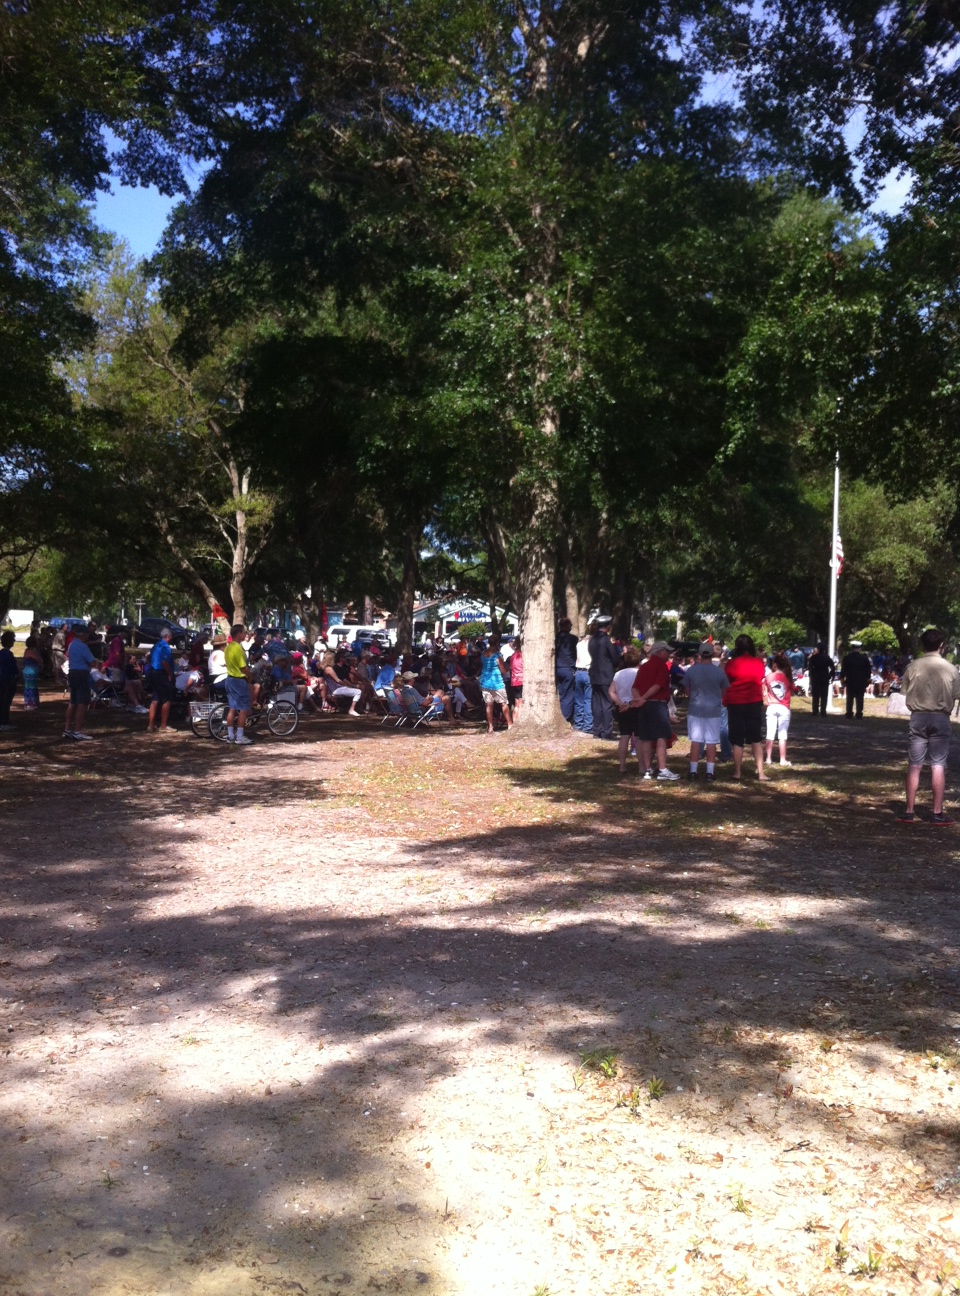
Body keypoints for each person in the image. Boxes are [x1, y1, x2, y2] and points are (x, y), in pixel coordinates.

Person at [897, 627, 960, 824]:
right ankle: (937, 812)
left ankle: (908, 810)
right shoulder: (951, 669)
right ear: (941, 646)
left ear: (922, 645)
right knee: (938, 765)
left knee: (914, 764)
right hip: (941, 717)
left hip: (918, 717)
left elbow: (904, 693)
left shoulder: (913, 667)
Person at [631, 640, 680, 781]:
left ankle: (647, 770)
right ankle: (662, 769)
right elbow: (658, 685)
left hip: (644, 707)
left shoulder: (644, 666)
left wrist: (638, 699)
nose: (669, 654)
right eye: (667, 651)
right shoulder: (662, 667)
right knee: (661, 737)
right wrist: (643, 698)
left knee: (645, 737)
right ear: (660, 652)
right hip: (657, 705)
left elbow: (635, 687)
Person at [724, 634, 769, 782]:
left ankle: (737, 772)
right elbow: (760, 678)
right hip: (753, 701)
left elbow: (727, 681)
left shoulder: (732, 664)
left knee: (737, 739)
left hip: (735, 702)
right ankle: (761, 773)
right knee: (756, 737)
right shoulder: (758, 663)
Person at [684, 643, 730, 781]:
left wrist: (693, 696)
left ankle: (693, 771)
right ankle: (710, 772)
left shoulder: (692, 670)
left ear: (699, 654)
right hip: (713, 709)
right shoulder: (719, 671)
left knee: (696, 741)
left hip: (695, 709)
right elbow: (724, 691)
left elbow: (686, 688)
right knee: (711, 742)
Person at [609, 646, 642, 777]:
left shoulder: (618, 674)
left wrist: (619, 703)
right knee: (639, 738)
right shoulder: (639, 673)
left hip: (622, 707)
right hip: (637, 706)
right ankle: (641, 767)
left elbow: (611, 691)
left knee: (624, 736)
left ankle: (622, 765)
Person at [588, 616, 620, 740]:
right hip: (606, 674)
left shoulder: (592, 639)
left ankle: (597, 730)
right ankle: (606, 731)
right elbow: (614, 658)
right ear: (607, 627)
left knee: (596, 703)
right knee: (607, 703)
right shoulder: (607, 640)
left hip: (594, 674)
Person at [224, 622, 254, 744]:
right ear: (239, 634)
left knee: (232, 708)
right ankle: (240, 737)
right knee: (243, 708)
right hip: (238, 680)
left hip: (229, 679)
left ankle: (231, 735)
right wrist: (249, 676)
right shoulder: (238, 648)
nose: (245, 635)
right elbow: (243, 668)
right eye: (244, 632)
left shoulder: (228, 647)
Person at [64, 625, 95, 740]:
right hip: (81, 674)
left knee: (73, 702)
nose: (88, 637)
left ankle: (67, 729)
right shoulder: (83, 646)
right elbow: (92, 662)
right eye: (87, 635)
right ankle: (77, 731)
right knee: (82, 703)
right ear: (83, 635)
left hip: (72, 672)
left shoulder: (72, 644)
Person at [764, 651, 794, 767]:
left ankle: (768, 758)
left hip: (771, 707)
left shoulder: (768, 677)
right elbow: (793, 688)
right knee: (782, 734)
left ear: (774, 665)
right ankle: (782, 759)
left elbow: (764, 690)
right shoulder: (787, 678)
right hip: (784, 707)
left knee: (769, 733)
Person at [146, 628, 176, 734]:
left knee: (155, 699)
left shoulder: (156, 645)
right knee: (167, 699)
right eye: (171, 636)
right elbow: (164, 662)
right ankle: (163, 725)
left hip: (153, 672)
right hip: (161, 673)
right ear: (168, 636)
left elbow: (149, 657)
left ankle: (151, 725)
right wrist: (170, 674)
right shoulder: (165, 647)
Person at [479, 635, 512, 732]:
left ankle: (490, 727)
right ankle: (509, 724)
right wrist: (508, 668)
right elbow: (503, 670)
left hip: (485, 680)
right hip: (496, 682)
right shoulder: (497, 655)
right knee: (503, 703)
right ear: (497, 643)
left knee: (489, 705)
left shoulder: (483, 653)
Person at [840, 640, 872, 719]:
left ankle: (849, 712)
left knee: (850, 697)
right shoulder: (864, 658)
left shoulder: (847, 658)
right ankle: (859, 713)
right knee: (860, 697)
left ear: (852, 648)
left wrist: (842, 679)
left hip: (850, 680)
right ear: (860, 648)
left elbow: (843, 670)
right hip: (861, 681)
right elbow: (868, 670)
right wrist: (868, 679)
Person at [555, 618, 578, 723]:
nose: (571, 627)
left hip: (558, 668)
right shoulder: (573, 639)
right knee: (568, 694)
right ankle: (566, 718)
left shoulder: (555, 638)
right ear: (566, 626)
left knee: (561, 693)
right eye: (570, 625)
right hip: (569, 669)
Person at [807, 642, 835, 716]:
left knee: (815, 695)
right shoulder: (827, 658)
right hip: (824, 677)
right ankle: (823, 711)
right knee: (824, 695)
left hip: (816, 678)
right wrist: (831, 676)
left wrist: (811, 678)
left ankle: (815, 710)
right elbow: (832, 668)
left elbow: (810, 669)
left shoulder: (813, 658)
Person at [573, 634, 593, 734]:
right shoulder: (592, 645)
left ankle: (578, 723)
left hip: (578, 672)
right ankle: (588, 725)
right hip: (588, 672)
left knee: (578, 700)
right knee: (588, 700)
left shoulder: (579, 645)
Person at [0, 630, 18, 730]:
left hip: (2, 679)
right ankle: (4, 722)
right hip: (8, 680)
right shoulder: (8, 654)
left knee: (2, 700)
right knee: (6, 702)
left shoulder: (1, 653)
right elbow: (13, 668)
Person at [20, 635, 42, 711]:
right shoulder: (33, 652)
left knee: (27, 686)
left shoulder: (26, 651)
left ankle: (27, 702)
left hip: (26, 670)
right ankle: (32, 703)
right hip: (32, 670)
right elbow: (38, 660)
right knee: (33, 687)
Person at [508, 637, 524, 720]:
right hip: (521, 680)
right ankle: (519, 721)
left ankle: (514, 721)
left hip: (514, 681)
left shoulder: (512, 656)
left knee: (516, 704)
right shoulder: (523, 656)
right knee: (521, 704)